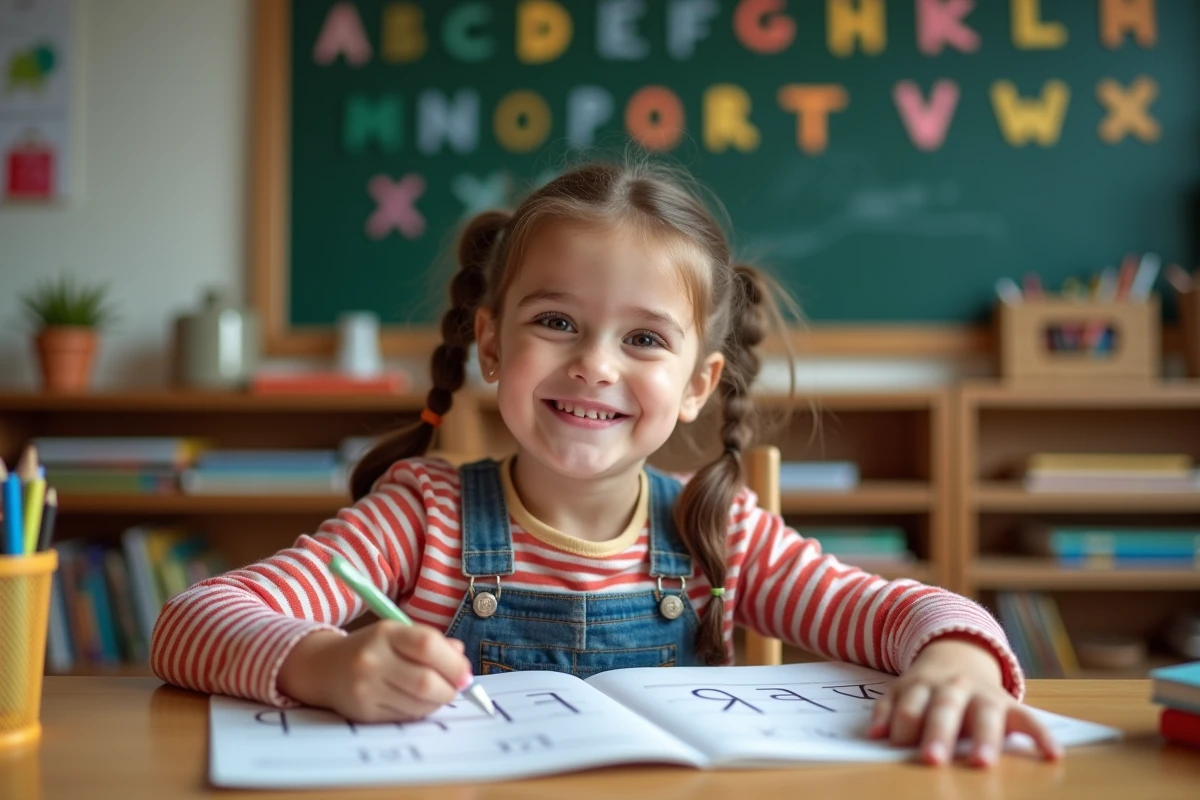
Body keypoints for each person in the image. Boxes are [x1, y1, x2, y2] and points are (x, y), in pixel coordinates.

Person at [151, 159, 1059, 768]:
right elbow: (191, 621)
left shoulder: (720, 531)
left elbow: (906, 611)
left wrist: (959, 664)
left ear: (699, 384)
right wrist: (321, 664)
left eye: (643, 338)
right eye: (556, 323)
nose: (595, 364)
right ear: (493, 348)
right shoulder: (418, 514)